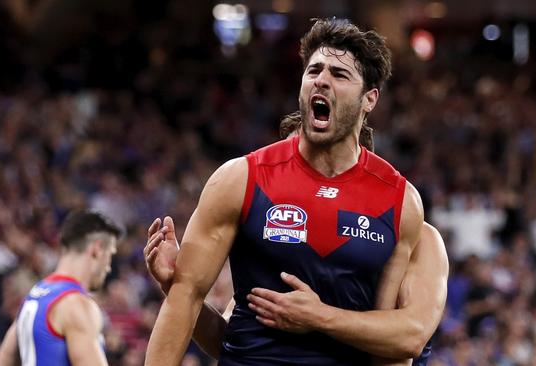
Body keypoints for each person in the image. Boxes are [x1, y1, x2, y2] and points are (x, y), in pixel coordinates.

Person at [145, 18, 425, 365]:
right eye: (314, 71)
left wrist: (319, 317)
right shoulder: (240, 179)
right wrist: (172, 283)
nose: (322, 80)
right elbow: (185, 299)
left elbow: (393, 349)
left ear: (370, 99)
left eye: (339, 74)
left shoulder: (400, 202)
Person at [145, 216, 448, 365]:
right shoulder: (281, 243)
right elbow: (229, 340)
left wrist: (320, 317)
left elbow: (411, 337)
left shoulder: (416, 235)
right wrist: (175, 285)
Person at [0, 210, 122, 366]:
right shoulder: (77, 305)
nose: (108, 268)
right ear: (97, 250)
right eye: (110, 255)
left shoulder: (35, 295)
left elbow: (4, 359)